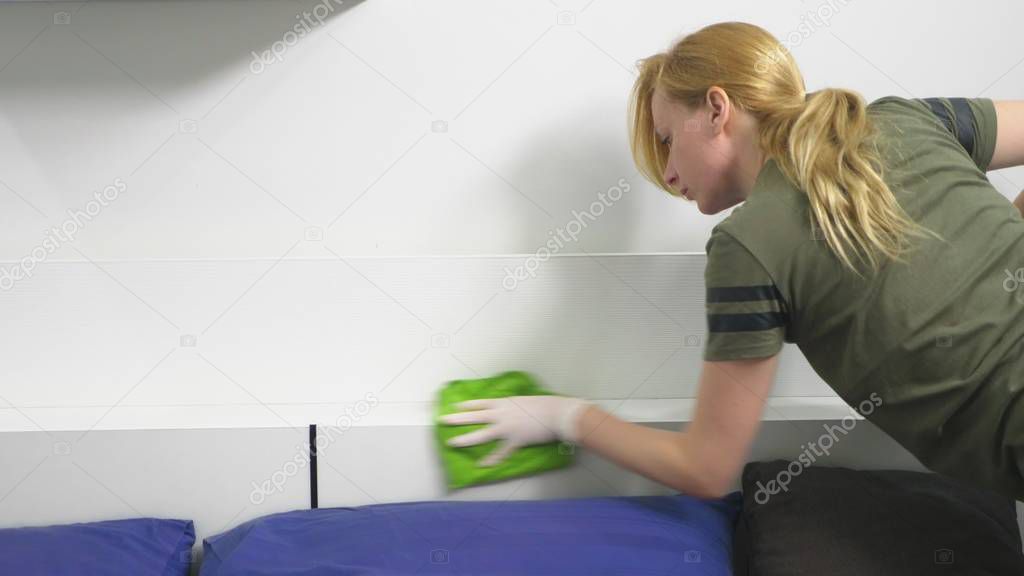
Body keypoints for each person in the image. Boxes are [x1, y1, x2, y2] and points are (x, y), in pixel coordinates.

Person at [439, 21, 1024, 500]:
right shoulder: (905, 119)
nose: (668, 174)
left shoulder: (746, 246)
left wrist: (565, 418)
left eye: (668, 138)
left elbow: (705, 468)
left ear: (717, 109)